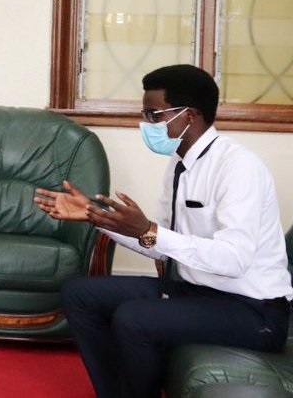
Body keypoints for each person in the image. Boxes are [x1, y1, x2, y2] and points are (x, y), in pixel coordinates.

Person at [34, 64, 291, 398]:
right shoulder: (180, 164)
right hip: (197, 292)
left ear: (189, 116)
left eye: (154, 115)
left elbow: (233, 260)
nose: (146, 125)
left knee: (133, 319)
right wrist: (95, 216)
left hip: (253, 310)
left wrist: (150, 230)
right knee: (80, 295)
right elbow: (159, 243)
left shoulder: (238, 167)